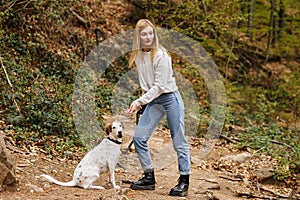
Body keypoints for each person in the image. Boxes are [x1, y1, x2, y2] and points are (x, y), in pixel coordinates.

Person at [127, 19, 191, 197]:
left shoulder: (161, 55)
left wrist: (139, 101)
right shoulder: (138, 55)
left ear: (154, 34)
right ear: (138, 37)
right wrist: (145, 102)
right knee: (139, 138)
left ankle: (184, 180)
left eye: (150, 33)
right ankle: (149, 177)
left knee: (178, 140)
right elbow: (145, 84)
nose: (148, 37)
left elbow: (160, 86)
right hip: (153, 101)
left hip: (170, 98)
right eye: (144, 34)